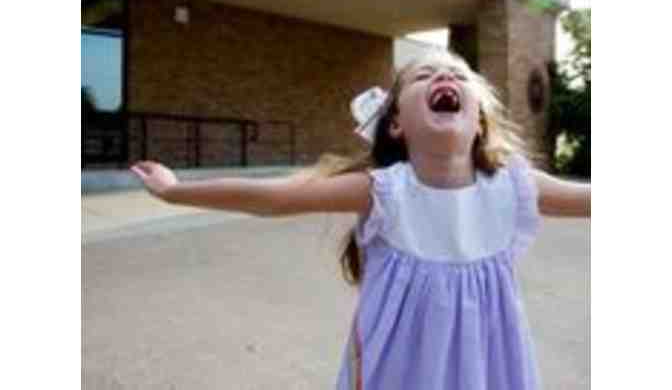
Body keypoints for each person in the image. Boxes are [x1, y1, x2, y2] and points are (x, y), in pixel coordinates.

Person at [130, 51, 590, 389]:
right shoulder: (385, 191)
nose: (445, 76)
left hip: (489, 372)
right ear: (395, 124)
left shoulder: (512, 187)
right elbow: (272, 197)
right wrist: (174, 190)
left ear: (481, 123)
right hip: (397, 375)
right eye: (424, 75)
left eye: (459, 75)